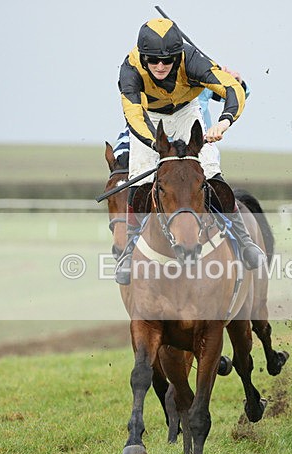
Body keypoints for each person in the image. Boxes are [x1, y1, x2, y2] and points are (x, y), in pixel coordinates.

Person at [113, 17, 264, 285]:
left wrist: (224, 121)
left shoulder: (191, 59)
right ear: (143, 57)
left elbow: (233, 89)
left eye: (167, 61)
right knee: (143, 179)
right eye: (153, 61)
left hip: (187, 113)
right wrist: (157, 146)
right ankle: (128, 252)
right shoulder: (130, 70)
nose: (160, 66)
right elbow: (134, 115)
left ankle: (244, 239)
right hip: (148, 120)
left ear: (177, 56)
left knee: (209, 172)